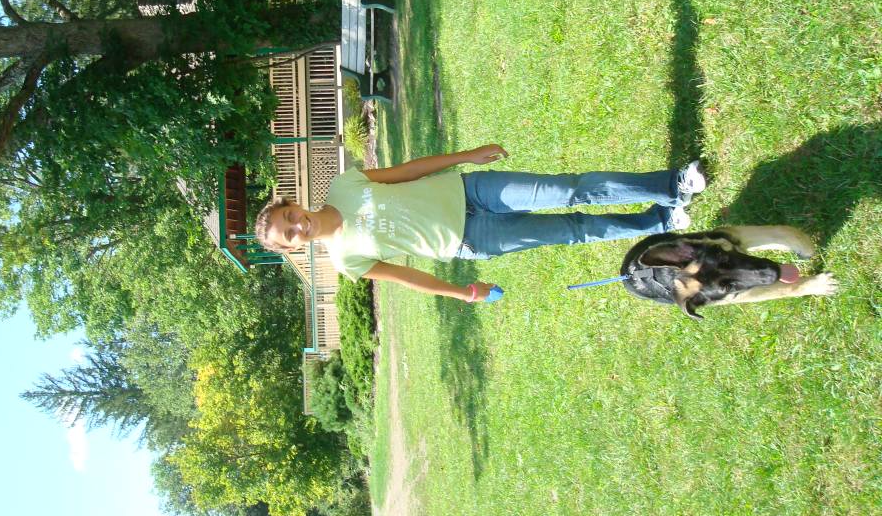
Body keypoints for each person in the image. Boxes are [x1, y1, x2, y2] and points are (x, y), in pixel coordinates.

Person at [254, 145, 705, 302]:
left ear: (294, 204)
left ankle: (671, 184)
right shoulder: (346, 260)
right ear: (292, 248)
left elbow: (408, 171)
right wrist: (465, 292)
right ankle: (661, 218)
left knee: (568, 189)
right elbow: (409, 278)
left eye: (288, 216)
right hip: (472, 239)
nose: (297, 226)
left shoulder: (344, 185)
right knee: (573, 229)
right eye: (288, 235)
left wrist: (466, 156)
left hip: (471, 190)